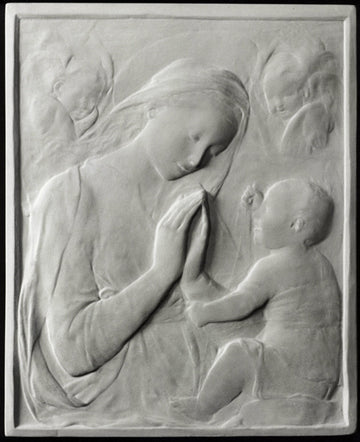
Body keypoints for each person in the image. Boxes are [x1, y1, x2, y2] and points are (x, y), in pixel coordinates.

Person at [18, 59, 250, 426]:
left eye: (213, 151)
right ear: (155, 106)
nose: (197, 159)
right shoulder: (72, 195)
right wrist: (160, 274)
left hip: (187, 400)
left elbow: (203, 310)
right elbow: (73, 351)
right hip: (118, 405)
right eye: (194, 136)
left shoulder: (189, 206)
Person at [172, 179, 341, 424]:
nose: (258, 218)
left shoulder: (273, 267)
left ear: (296, 225)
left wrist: (205, 311)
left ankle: (204, 407)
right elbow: (279, 229)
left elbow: (242, 303)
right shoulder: (321, 264)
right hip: (323, 377)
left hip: (292, 372)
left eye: (267, 211)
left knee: (238, 352)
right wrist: (261, 209)